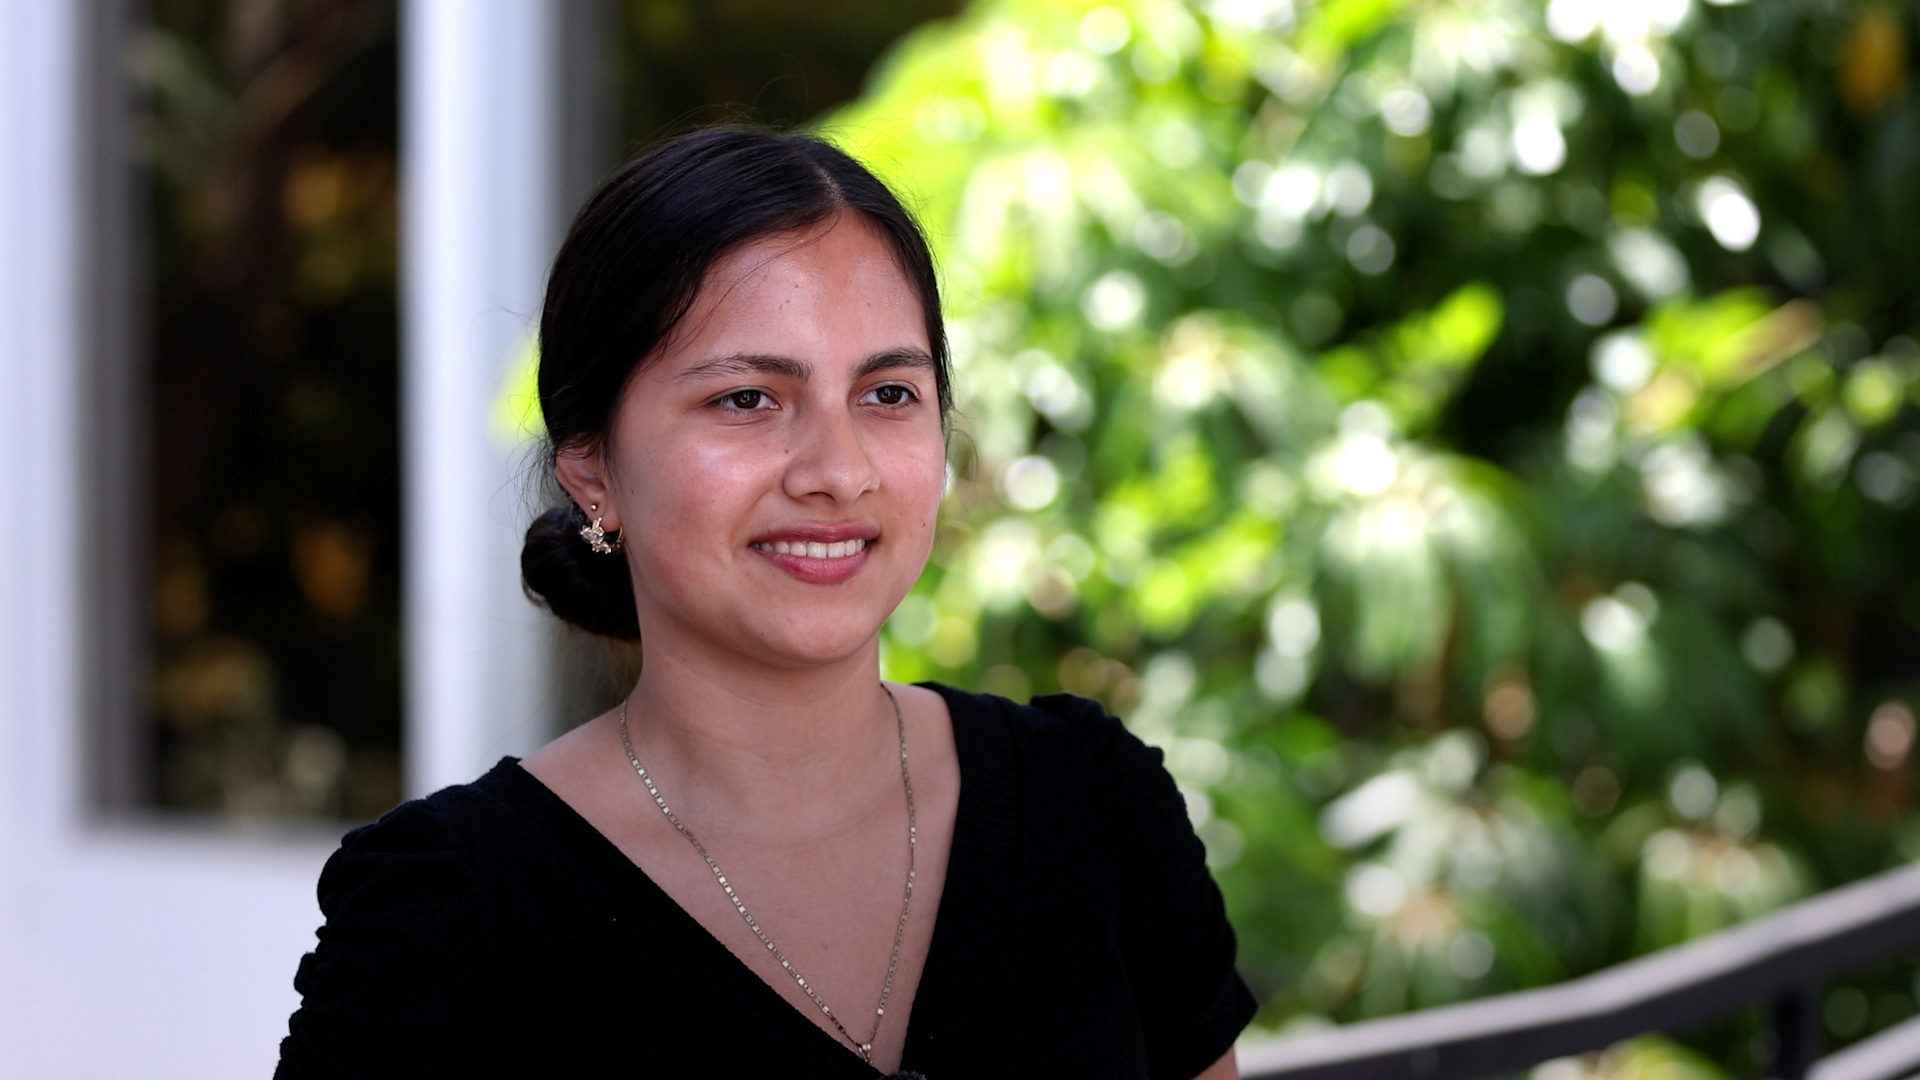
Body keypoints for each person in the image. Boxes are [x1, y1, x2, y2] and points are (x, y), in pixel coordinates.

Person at [274, 127, 1257, 1079]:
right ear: (593, 469)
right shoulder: (447, 909)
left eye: (888, 395)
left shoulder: (1092, 804)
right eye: (747, 399)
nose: (837, 471)